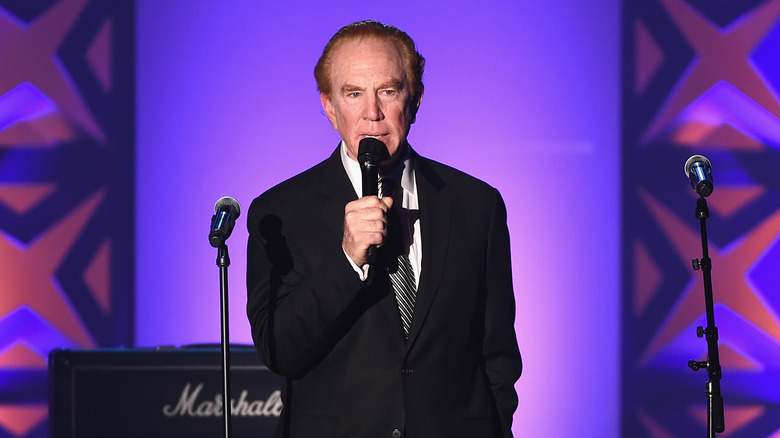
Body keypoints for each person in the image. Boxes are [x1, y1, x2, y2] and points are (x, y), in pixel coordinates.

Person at [246, 19, 522, 438]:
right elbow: (281, 351)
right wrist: (346, 262)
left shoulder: (477, 205)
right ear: (328, 106)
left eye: (388, 91)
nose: (372, 113)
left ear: (415, 100)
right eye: (353, 94)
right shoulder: (280, 213)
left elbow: (498, 355)